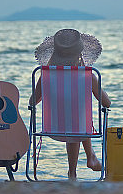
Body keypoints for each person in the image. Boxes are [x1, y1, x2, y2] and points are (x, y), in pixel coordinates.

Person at [28, 28, 111, 180]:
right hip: (78, 128)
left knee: (74, 120)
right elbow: (107, 103)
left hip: (53, 127)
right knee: (77, 120)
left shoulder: (45, 75)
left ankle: (80, 166)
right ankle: (86, 161)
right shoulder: (88, 76)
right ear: (80, 53)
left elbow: (32, 102)